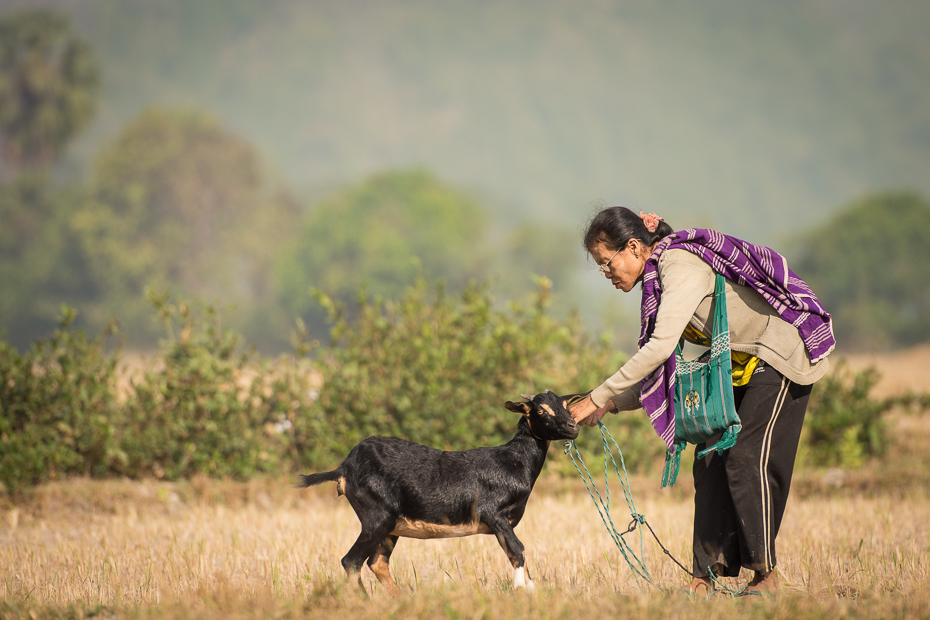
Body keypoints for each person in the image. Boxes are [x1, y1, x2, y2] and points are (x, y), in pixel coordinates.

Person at [568, 207, 834, 596]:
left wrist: (597, 396)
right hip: (741, 363)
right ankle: (703, 577)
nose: (607, 274)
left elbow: (659, 349)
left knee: (746, 458)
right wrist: (609, 404)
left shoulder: (679, 265)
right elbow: (664, 369)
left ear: (634, 247)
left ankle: (766, 576)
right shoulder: (656, 284)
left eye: (606, 264)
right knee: (710, 456)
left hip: (782, 354)